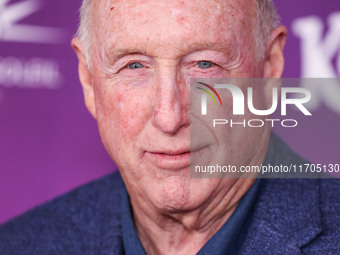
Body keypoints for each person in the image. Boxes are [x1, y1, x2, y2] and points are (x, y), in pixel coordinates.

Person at [1, 0, 340, 254]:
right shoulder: (19, 245)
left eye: (204, 64)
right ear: (88, 80)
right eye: (134, 65)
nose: (169, 116)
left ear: (268, 68)